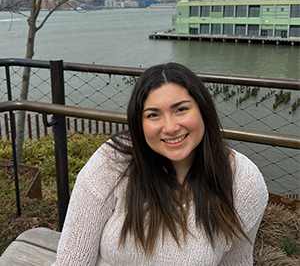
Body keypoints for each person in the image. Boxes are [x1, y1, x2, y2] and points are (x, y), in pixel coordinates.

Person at [52, 63, 268, 265]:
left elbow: (236, 261)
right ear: (139, 123)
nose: (170, 127)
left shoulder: (243, 182)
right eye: (153, 115)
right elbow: (73, 258)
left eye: (181, 109)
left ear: (203, 110)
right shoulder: (115, 159)